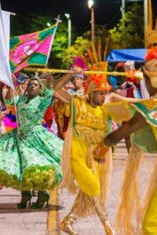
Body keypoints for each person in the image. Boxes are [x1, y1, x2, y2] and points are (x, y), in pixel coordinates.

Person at [94, 42, 157, 234]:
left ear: (152, 81)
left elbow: (126, 129)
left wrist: (101, 148)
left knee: (152, 226)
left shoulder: (153, 106)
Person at [0, 74, 63, 208]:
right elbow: (7, 101)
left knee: (36, 165)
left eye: (35, 85)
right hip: (19, 136)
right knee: (21, 165)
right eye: (29, 85)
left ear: (39, 88)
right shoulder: (20, 99)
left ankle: (42, 194)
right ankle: (25, 194)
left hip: (36, 137)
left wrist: (57, 80)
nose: (31, 87)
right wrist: (11, 85)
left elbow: (51, 91)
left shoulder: (42, 100)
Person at [54, 66, 115, 235]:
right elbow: (56, 89)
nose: (104, 97)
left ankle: (67, 222)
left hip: (97, 157)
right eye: (100, 93)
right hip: (77, 155)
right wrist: (71, 74)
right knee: (94, 188)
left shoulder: (106, 110)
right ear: (91, 93)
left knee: (89, 192)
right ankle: (107, 225)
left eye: (105, 93)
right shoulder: (77, 102)